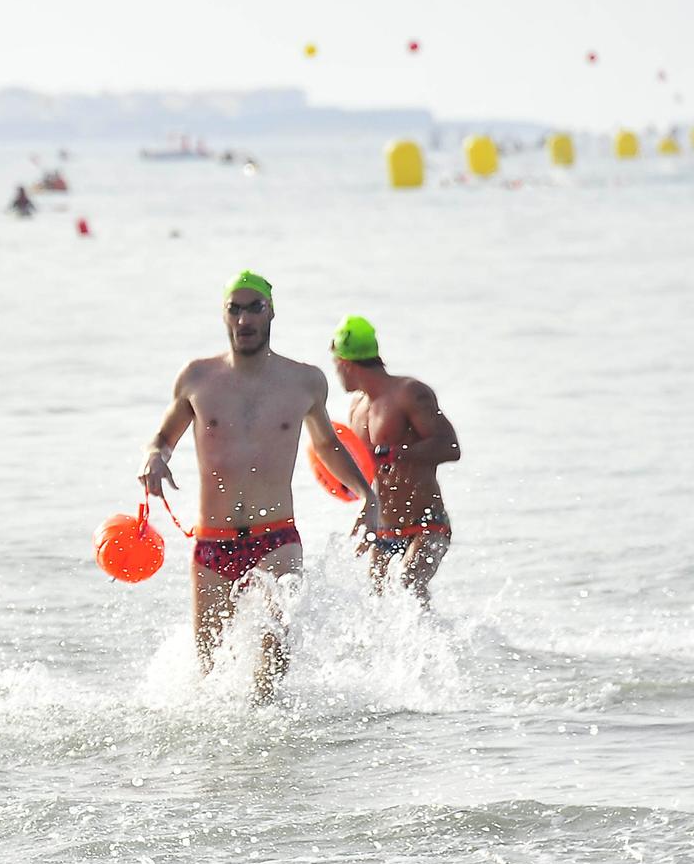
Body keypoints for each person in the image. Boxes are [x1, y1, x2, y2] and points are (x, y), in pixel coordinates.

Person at [138, 272, 378, 699]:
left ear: (271, 313)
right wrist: (154, 458)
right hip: (212, 543)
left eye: (254, 308)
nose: (245, 318)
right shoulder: (196, 378)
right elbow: (163, 438)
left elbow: (326, 445)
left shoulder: (305, 381)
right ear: (224, 315)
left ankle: (279, 762)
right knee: (209, 679)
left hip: (277, 539)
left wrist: (367, 496)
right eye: (235, 309)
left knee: (272, 669)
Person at [331, 316, 462, 604]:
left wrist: (399, 454)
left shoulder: (410, 393)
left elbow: (450, 447)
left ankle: (435, 649)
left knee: (408, 583)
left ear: (344, 363)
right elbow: (369, 471)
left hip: (428, 523)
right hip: (384, 527)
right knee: (372, 603)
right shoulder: (356, 408)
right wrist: (364, 511)